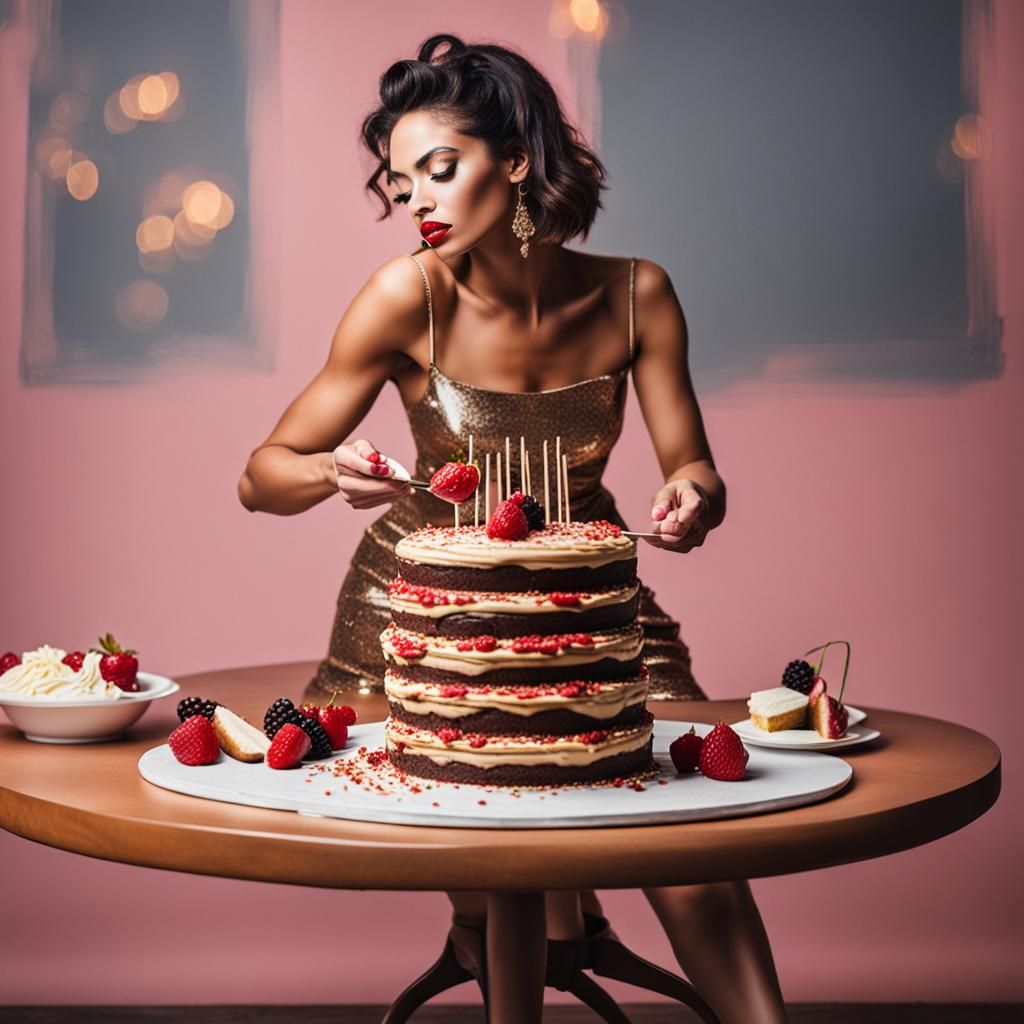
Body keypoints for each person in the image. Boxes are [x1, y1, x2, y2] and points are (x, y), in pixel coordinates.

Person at [238, 33, 788, 1024]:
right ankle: (536, 943)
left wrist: (692, 497)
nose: (416, 202)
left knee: (693, 854)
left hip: (588, 594)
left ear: (517, 160)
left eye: (439, 169)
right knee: (495, 856)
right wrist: (330, 470)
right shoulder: (405, 292)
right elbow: (259, 476)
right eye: (401, 183)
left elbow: (691, 467)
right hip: (417, 612)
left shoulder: (636, 293)